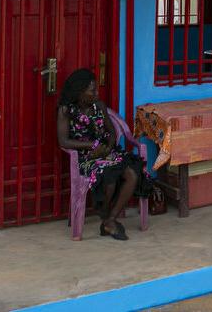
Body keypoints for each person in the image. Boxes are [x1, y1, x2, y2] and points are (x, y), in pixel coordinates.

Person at [56, 69, 152, 241]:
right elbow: (63, 141)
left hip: (108, 153)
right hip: (86, 157)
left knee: (131, 174)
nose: (96, 93)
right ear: (79, 91)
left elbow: (111, 131)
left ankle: (110, 220)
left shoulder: (99, 106)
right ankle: (108, 221)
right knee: (110, 180)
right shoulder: (66, 111)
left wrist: (108, 145)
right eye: (92, 90)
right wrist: (92, 145)